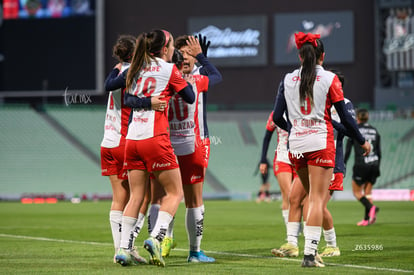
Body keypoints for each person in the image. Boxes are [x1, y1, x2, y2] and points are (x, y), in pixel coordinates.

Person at [272, 32, 370, 267]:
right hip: (320, 143)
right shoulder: (329, 79)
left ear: (300, 55)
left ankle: (304, 248)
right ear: (322, 56)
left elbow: (277, 117)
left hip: (295, 146)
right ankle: (309, 255)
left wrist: (294, 129)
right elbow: (346, 117)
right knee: (316, 200)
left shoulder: (287, 79)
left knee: (305, 198)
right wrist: (361, 140)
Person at [114, 29, 195, 268]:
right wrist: (177, 76)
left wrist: (146, 100)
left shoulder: (136, 66)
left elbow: (127, 99)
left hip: (132, 140)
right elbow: (189, 96)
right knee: (174, 193)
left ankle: (124, 248)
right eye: (170, 45)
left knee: (136, 196)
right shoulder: (169, 69)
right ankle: (156, 237)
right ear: (165, 48)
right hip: (155, 139)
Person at [168, 35, 222, 263]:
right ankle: (194, 252)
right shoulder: (199, 78)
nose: (188, 58)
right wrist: (202, 56)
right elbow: (217, 77)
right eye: (184, 54)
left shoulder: (165, 77)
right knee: (193, 199)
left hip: (169, 144)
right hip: (192, 144)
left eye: (191, 54)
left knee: (166, 196)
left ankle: (164, 241)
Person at [100, 34, 146, 265]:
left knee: (119, 198)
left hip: (107, 141)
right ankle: (127, 247)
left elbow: (108, 85)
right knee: (141, 197)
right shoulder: (136, 73)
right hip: (124, 140)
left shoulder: (116, 72)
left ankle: (120, 250)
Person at [344, 109, 381, 226]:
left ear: (357, 118)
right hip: (374, 164)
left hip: (361, 164)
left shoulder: (355, 129)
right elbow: (379, 151)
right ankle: (366, 219)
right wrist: (377, 165)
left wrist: (343, 164)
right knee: (368, 193)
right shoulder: (375, 131)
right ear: (367, 117)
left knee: (357, 192)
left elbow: (348, 150)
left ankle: (371, 207)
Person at [260, 112, 297, 225]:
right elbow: (267, 137)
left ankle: (305, 229)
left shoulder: (299, 110)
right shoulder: (276, 114)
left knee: (300, 197)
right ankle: (291, 231)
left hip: (299, 157)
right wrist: (263, 160)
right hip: (282, 158)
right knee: (288, 194)